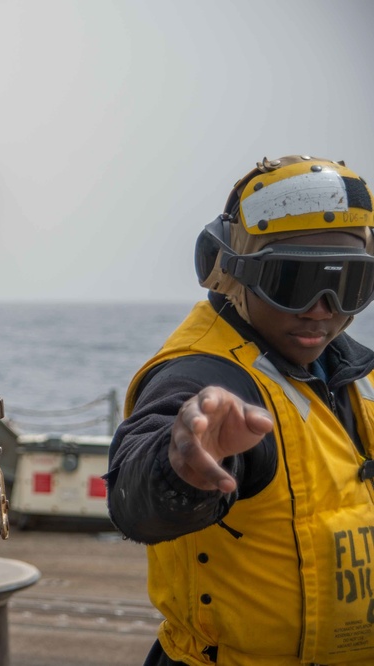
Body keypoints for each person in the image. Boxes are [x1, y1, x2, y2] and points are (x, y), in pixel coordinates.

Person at [107, 154, 374, 666]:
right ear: (230, 272)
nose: (322, 309)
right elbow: (135, 496)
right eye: (293, 283)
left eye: (347, 286)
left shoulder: (347, 374)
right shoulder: (210, 378)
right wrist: (179, 468)